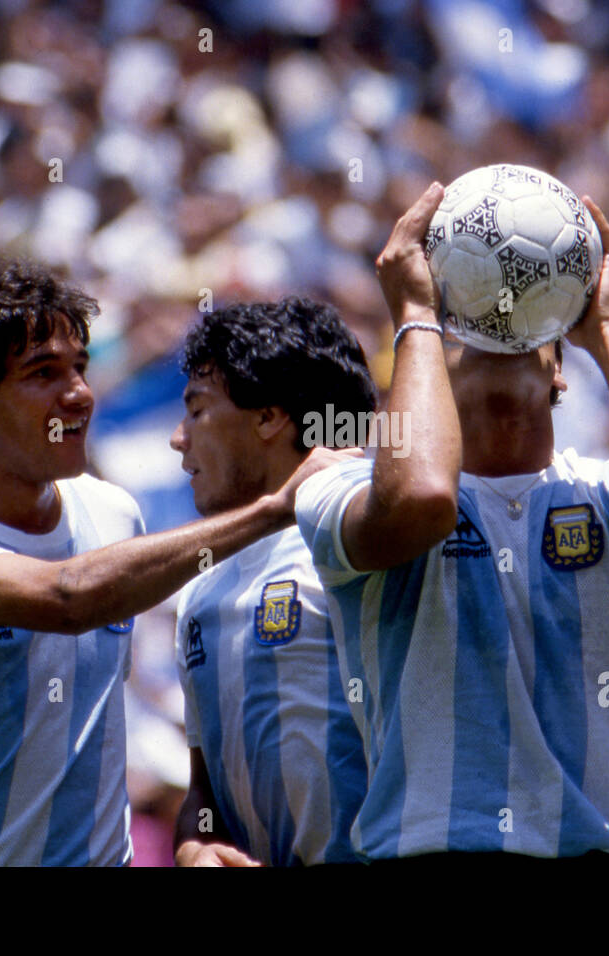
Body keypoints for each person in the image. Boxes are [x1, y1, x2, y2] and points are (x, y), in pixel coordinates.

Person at [0, 258, 348, 866]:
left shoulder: (112, 514)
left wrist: (194, 844)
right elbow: (67, 598)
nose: (79, 393)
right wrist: (275, 508)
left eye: (79, 366)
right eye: (43, 372)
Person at [294, 183, 609, 864]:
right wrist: (416, 312)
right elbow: (420, 501)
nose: (497, 323)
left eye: (526, 319)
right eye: (463, 318)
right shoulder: (340, 487)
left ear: (560, 371)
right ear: (423, 361)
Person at [169, 298, 375, 867]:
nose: (177, 438)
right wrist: (195, 848)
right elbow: (203, 791)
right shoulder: (199, 586)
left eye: (196, 410)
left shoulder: (369, 544)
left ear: (268, 417)